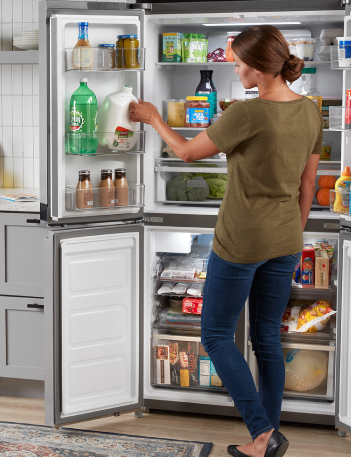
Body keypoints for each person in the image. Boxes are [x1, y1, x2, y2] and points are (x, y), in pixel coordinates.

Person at [129, 25, 321, 457]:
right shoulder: (311, 111)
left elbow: (186, 152)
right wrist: (292, 231)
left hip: (241, 238)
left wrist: (154, 118)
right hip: (287, 236)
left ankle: (262, 432)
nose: (234, 69)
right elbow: (309, 184)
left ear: (257, 67)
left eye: (237, 62)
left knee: (215, 334)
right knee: (267, 337)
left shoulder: (247, 113)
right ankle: (266, 438)